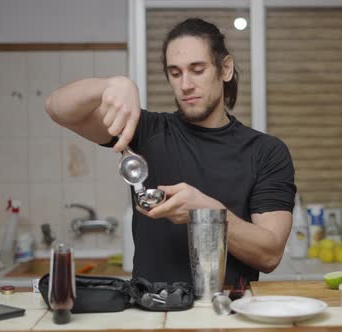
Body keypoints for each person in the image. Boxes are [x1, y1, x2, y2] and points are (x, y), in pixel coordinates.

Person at [45, 18, 296, 285]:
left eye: (197, 70)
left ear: (225, 69)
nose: (185, 84)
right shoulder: (145, 131)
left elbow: (269, 255)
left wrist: (206, 211)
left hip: (229, 314)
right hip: (151, 314)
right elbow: (56, 108)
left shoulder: (266, 152)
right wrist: (111, 85)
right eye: (175, 73)